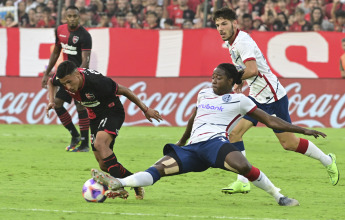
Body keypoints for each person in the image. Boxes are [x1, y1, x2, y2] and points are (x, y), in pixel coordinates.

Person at [90, 63, 328, 206]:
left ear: (231, 80)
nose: (213, 80)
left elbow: (270, 120)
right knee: (158, 169)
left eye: (219, 77)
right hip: (193, 148)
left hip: (215, 144)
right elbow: (194, 117)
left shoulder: (241, 99)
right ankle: (118, 182)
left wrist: (302, 129)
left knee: (243, 166)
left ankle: (279, 196)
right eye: (213, 76)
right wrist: (182, 141)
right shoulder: (204, 93)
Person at [212, 7, 339, 194]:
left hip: (272, 96)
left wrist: (236, 80)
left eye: (224, 24)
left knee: (290, 144)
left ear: (234, 23)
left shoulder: (242, 42)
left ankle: (327, 160)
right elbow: (248, 71)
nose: (220, 28)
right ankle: (243, 181)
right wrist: (242, 82)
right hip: (257, 96)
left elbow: (253, 69)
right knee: (235, 133)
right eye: (217, 25)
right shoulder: (232, 43)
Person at [46, 60, 163, 199]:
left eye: (69, 82)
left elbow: (125, 90)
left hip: (112, 111)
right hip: (95, 116)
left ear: (77, 74)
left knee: (100, 144)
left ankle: (118, 186)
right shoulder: (62, 79)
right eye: (64, 83)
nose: (67, 87)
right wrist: (51, 101)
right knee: (103, 164)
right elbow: (50, 81)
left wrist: (146, 109)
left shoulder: (98, 82)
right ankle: (136, 182)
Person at [41, 5, 92, 152]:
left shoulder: (84, 36)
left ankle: (84, 144)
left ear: (79, 17)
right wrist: (47, 72)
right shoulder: (60, 30)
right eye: (69, 16)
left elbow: (85, 61)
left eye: (75, 16)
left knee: (80, 106)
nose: (72, 19)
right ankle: (74, 135)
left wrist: (80, 78)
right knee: (57, 104)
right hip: (64, 75)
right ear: (65, 17)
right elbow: (56, 52)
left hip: (77, 76)